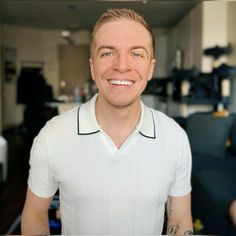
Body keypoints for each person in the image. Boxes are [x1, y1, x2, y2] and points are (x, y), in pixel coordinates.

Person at [21, 8, 193, 235]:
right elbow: (35, 212)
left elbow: (179, 218)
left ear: (150, 68)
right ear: (92, 67)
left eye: (136, 54)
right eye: (108, 53)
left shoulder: (175, 138)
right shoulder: (52, 136)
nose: (122, 66)